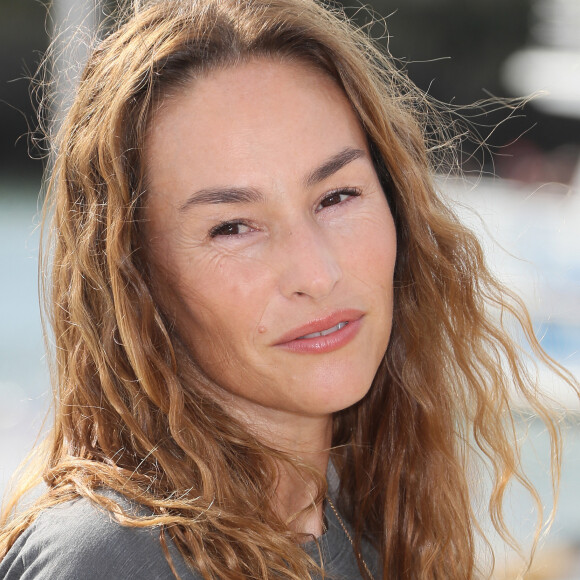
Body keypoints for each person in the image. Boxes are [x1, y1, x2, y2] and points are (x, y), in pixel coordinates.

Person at [0, 0, 577, 578]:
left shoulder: (374, 528)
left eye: (337, 196)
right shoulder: (111, 559)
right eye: (232, 227)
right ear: (135, 279)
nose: (316, 273)